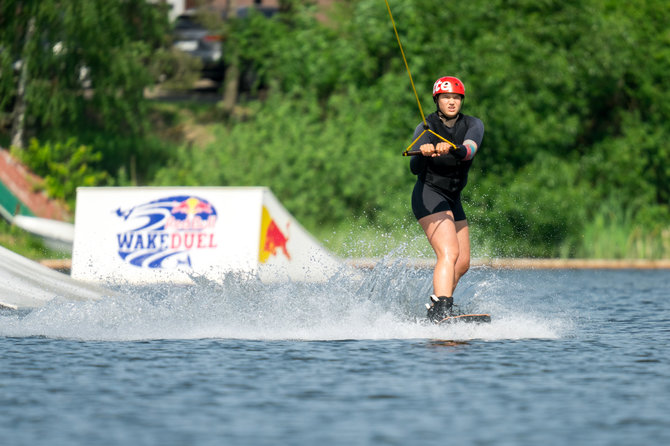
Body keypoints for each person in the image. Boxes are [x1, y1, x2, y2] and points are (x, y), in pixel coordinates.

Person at [408, 76, 484, 322]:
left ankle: (437, 308)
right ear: (437, 100)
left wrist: (452, 148)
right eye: (446, 97)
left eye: (456, 98)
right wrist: (425, 152)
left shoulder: (473, 124)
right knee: (449, 252)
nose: (451, 102)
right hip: (429, 195)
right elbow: (414, 167)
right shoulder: (425, 128)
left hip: (453, 198)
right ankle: (442, 309)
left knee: (462, 263)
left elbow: (470, 149)